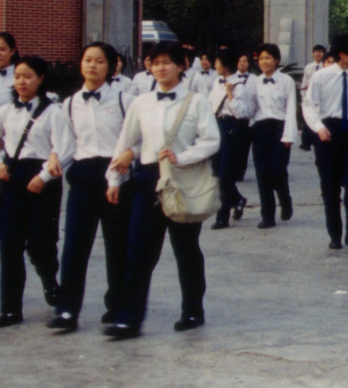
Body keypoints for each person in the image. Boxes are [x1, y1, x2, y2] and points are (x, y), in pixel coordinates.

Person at [105, 41, 220, 339]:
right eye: (154, 62)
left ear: (182, 65)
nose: (160, 68)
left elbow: (211, 140)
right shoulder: (140, 102)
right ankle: (129, 319)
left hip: (183, 180)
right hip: (147, 182)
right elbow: (125, 143)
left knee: (186, 249)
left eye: (167, 62)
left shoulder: (196, 101)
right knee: (138, 251)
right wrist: (114, 180)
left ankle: (193, 310)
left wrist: (182, 157)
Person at [46, 42, 132, 332]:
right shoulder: (69, 103)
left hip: (117, 176)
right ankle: (67, 309)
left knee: (117, 245)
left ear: (112, 66)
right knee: (74, 246)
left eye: (99, 61)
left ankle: (118, 305)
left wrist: (122, 170)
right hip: (83, 177)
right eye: (87, 60)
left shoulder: (125, 99)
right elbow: (67, 144)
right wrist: (54, 162)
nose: (92, 66)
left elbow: (136, 139)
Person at [0, 55, 70, 327]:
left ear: (41, 79)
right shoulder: (5, 110)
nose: (21, 81)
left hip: (44, 180)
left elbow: (65, 149)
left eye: (28, 76)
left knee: (41, 244)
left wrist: (43, 177)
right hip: (13, 177)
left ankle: (49, 280)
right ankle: (11, 308)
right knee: (9, 245)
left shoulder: (54, 112)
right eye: (18, 76)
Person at [303, 33, 348, 252]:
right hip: (328, 132)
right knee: (330, 186)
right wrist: (318, 127)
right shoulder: (321, 77)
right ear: (342, 53)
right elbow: (309, 106)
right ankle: (335, 234)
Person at [229, 43, 299, 229]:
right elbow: (250, 108)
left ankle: (284, 197)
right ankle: (267, 216)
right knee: (262, 173)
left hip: (280, 129)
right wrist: (232, 100)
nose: (264, 62)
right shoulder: (254, 81)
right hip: (260, 129)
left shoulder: (286, 81)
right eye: (261, 59)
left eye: (268, 58)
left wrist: (289, 135)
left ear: (276, 60)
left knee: (277, 170)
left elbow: (291, 109)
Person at [210, 52, 249, 229]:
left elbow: (241, 113)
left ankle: (222, 217)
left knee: (225, 174)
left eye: (217, 62)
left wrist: (230, 95)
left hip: (232, 128)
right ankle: (238, 198)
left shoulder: (239, 85)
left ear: (225, 65)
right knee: (218, 171)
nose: (214, 65)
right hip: (216, 126)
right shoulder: (215, 82)